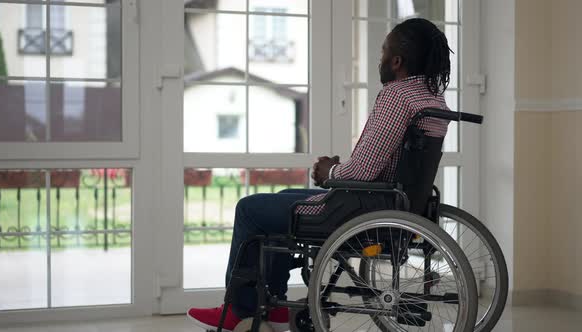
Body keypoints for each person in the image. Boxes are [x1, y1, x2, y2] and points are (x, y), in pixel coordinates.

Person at [187, 17, 453, 332]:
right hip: (396, 203)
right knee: (283, 200)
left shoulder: (397, 96)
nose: (379, 59)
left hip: (362, 208)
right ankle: (271, 309)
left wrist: (329, 171)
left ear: (397, 61)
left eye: (383, 52)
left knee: (250, 209)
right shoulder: (432, 98)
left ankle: (239, 308)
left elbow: (362, 171)